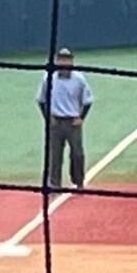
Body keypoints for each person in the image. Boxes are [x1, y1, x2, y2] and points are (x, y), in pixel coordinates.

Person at [37, 47, 94, 191]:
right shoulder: (48, 78)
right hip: (55, 121)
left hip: (73, 122)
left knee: (77, 153)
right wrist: (48, 118)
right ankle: (54, 184)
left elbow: (88, 100)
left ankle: (78, 181)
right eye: (61, 59)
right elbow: (41, 100)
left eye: (67, 60)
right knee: (54, 155)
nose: (63, 63)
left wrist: (81, 118)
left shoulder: (79, 79)